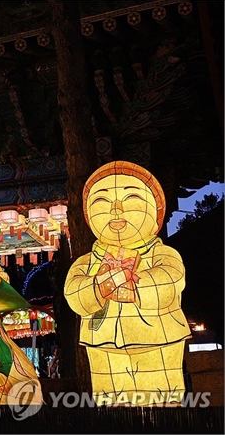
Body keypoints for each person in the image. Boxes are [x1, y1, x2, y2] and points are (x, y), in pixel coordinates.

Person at [64, 161, 191, 405]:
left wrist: (134, 287)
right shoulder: (86, 262)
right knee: (113, 404)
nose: (116, 210)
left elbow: (171, 279)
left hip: (157, 341)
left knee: (160, 402)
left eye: (131, 197)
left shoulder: (163, 254)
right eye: (102, 200)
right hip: (101, 344)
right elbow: (74, 293)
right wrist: (98, 288)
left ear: (155, 212)